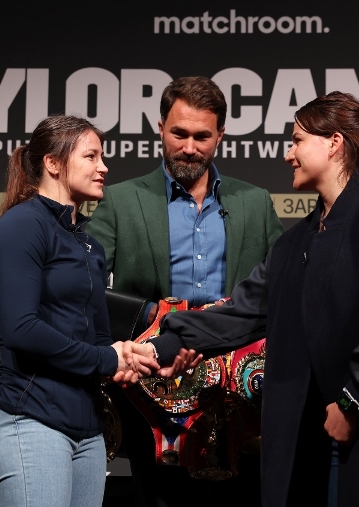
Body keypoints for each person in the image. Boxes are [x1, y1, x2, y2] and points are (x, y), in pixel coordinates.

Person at [140, 92, 359, 507]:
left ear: (334, 143)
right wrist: (164, 344)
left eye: (297, 140)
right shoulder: (294, 243)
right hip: (314, 451)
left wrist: (354, 400)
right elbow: (242, 312)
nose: (288, 154)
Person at [86, 76, 284, 506]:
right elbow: (84, 288)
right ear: (160, 128)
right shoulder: (121, 200)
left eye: (202, 136)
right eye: (179, 134)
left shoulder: (255, 201)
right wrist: (139, 338)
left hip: (236, 391)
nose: (189, 147)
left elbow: (284, 290)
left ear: (220, 135)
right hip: (149, 381)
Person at [0, 115, 159, 507]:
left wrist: (127, 356)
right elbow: (21, 329)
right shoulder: (22, 225)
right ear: (53, 162)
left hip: (89, 434)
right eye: (91, 156)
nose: (104, 167)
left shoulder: (90, 245)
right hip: (32, 422)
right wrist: (107, 358)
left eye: (102, 157)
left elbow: (99, 338)